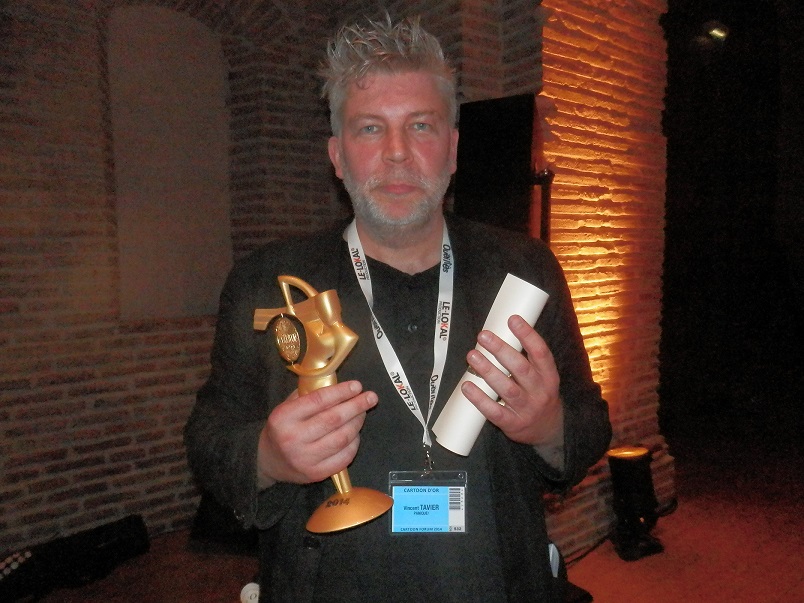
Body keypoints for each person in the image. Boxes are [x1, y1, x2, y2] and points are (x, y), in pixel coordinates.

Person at [184, 15, 611, 603]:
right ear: (337, 156)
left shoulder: (525, 269)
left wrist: (550, 426)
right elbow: (208, 437)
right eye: (369, 129)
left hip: (497, 582)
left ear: (453, 149)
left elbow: (591, 426)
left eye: (420, 125)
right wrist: (268, 457)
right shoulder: (267, 281)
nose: (397, 153)